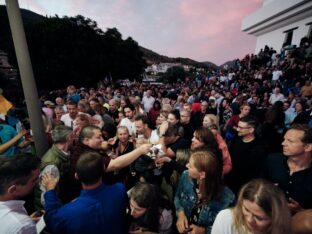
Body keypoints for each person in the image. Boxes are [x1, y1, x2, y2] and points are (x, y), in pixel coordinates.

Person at [43, 151, 128, 234]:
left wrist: (50, 191)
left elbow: (51, 220)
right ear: (104, 169)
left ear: (77, 176)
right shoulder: (120, 190)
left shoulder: (68, 213)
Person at [175, 150, 235, 234]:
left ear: (202, 174)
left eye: (191, 165)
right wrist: (180, 213)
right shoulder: (185, 176)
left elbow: (228, 228)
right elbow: (178, 196)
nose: (186, 165)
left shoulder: (227, 198)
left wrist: (204, 231)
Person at [211, 179, 291, 234]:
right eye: (246, 209)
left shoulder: (283, 229)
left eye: (259, 218)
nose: (249, 220)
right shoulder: (226, 218)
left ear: (275, 218)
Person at [263, 124, 312, 211]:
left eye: (290, 141)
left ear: (307, 147)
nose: (283, 143)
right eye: (284, 139)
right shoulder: (273, 160)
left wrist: (302, 211)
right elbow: (260, 185)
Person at [225, 116, 267, 194]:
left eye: (241, 128)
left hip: (245, 186)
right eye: (238, 126)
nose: (237, 129)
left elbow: (257, 170)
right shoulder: (236, 139)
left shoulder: (259, 147)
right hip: (230, 181)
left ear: (251, 130)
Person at [34, 125, 73, 209]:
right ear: (69, 138)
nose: (74, 139)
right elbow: (45, 195)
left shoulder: (62, 154)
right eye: (73, 137)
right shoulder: (51, 164)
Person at [0, 154, 41, 234]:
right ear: (13, 189)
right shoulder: (23, 225)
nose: (38, 182)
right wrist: (25, 224)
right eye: (34, 180)